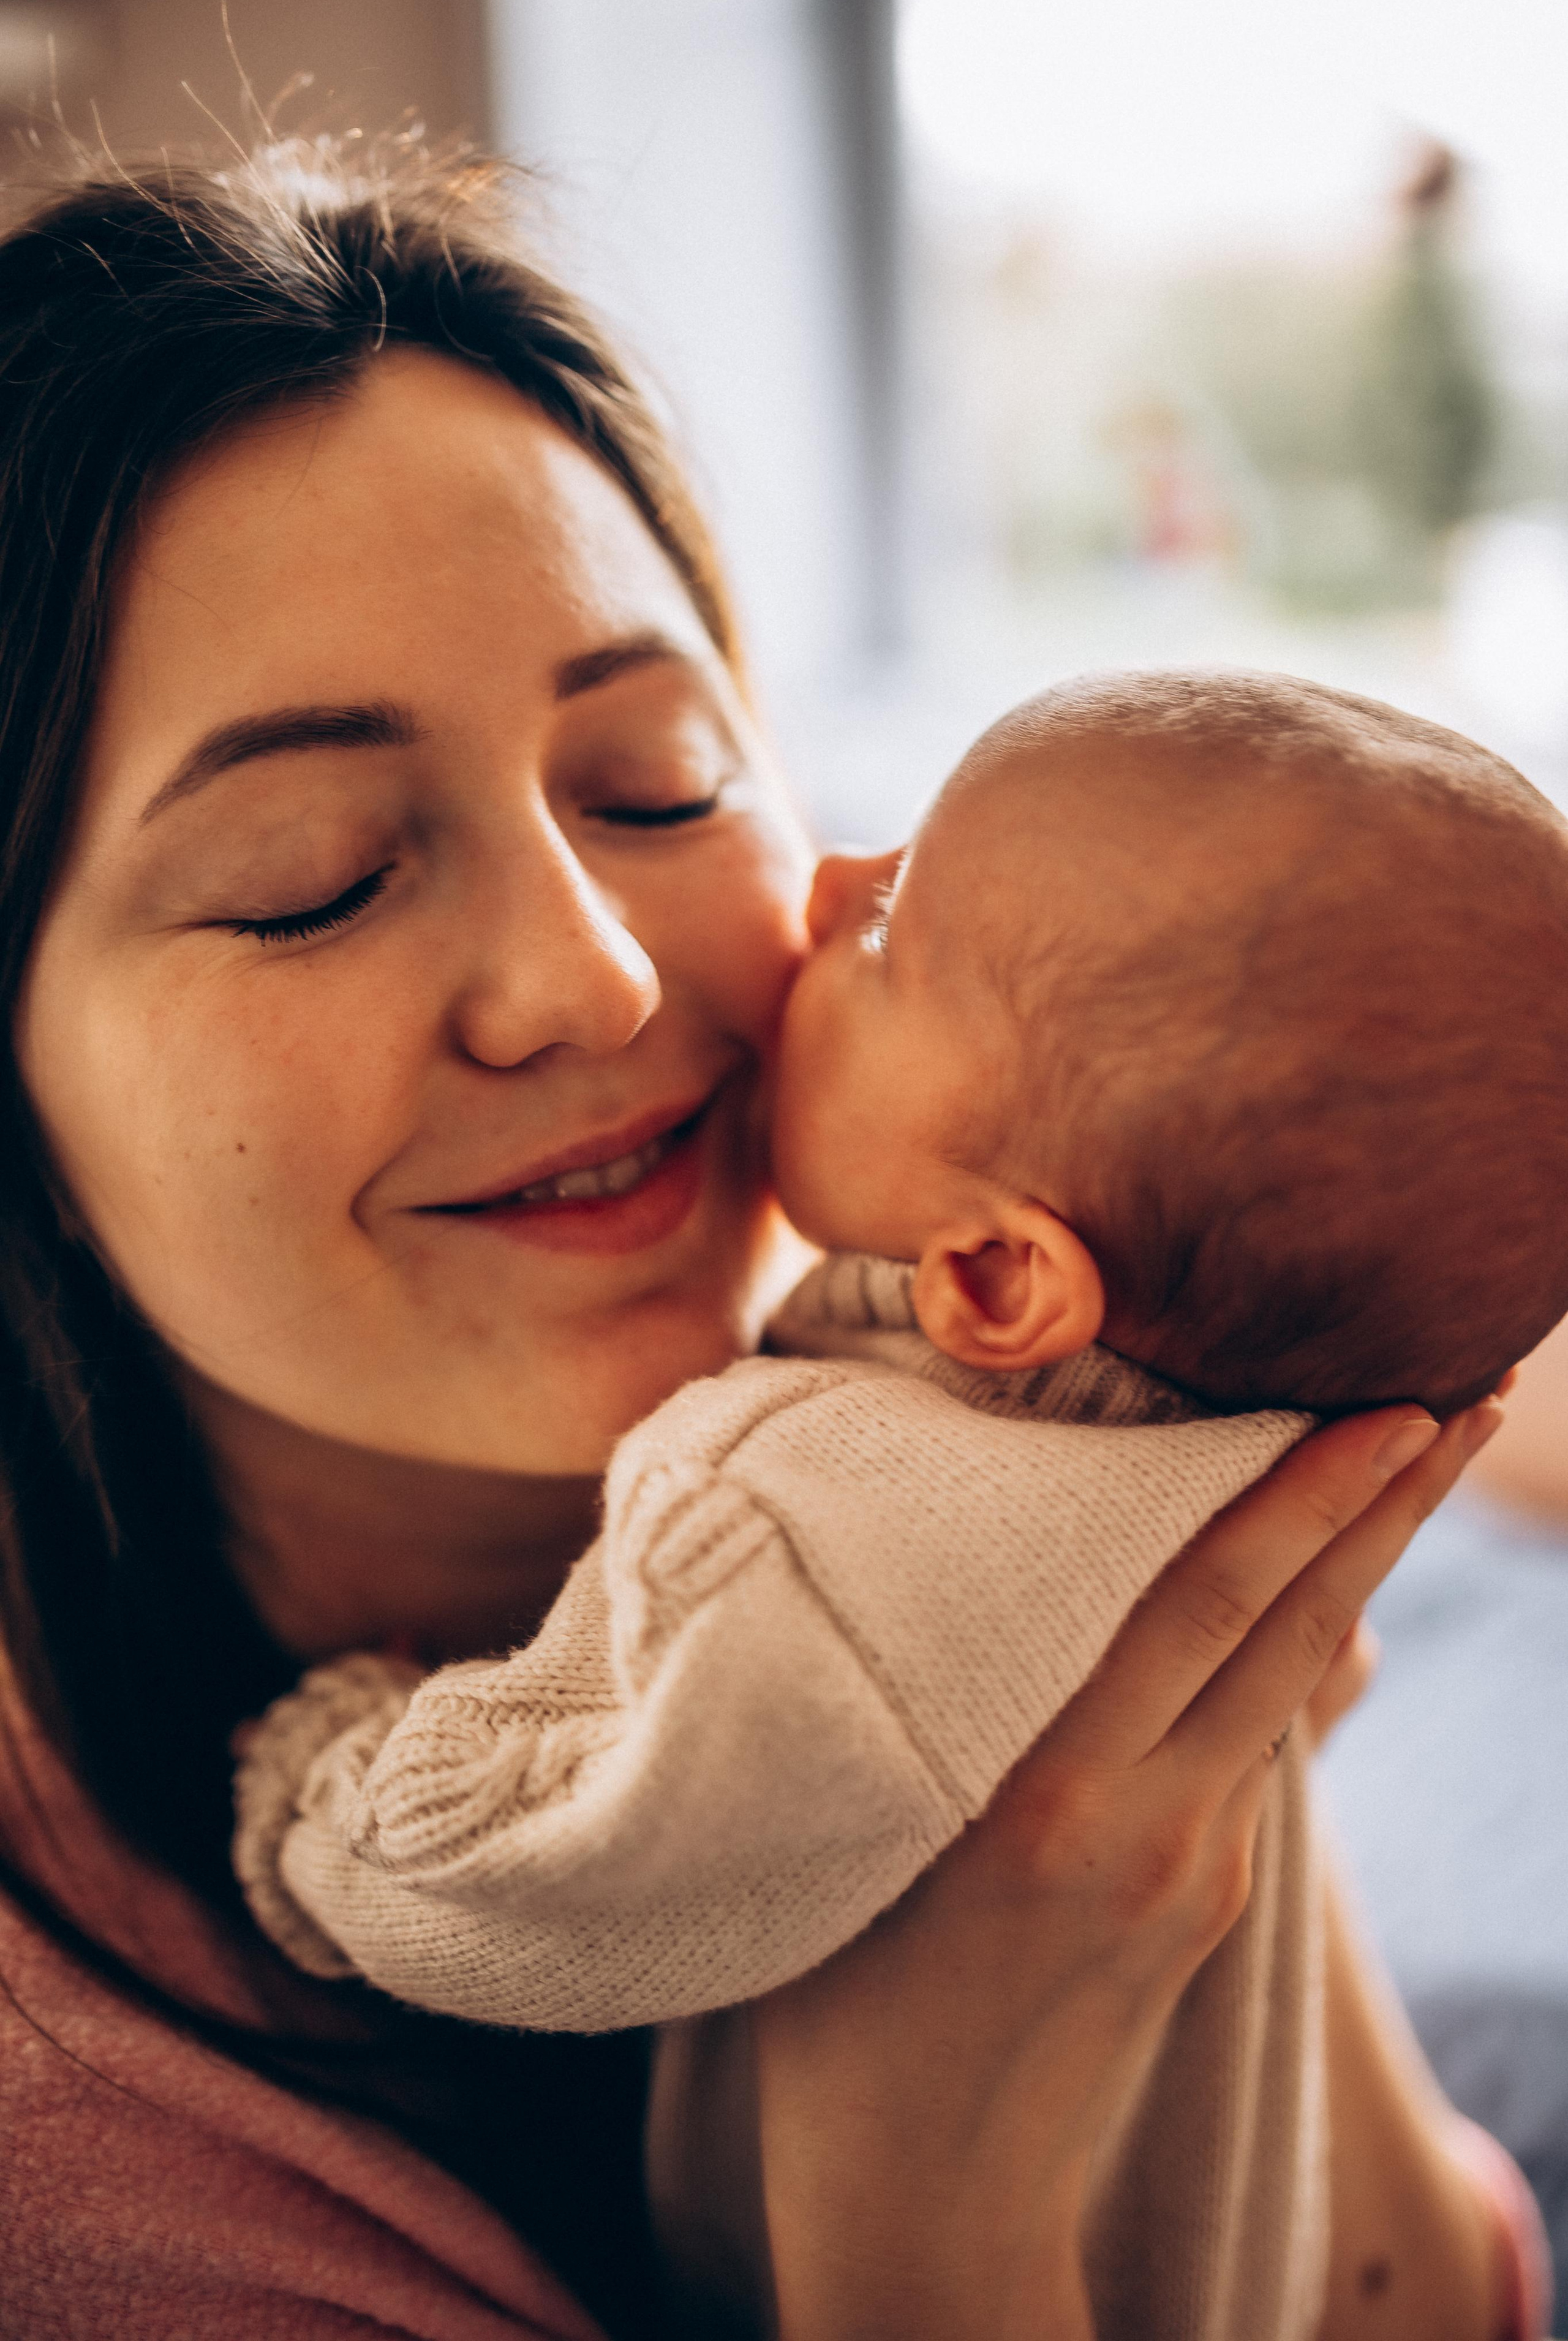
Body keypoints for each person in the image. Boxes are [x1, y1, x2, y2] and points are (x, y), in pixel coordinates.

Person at [0, 139, 1532, 2341]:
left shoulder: (1037, 1463)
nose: (600, 981)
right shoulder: (84, 2186)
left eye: (655, 785)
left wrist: (1249, 1787)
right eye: (317, 874)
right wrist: (920, 2202)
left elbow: (1429, 2287)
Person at [230, 670, 1568, 2336]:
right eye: (309, 880)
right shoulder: (1230, 1437)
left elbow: (575, 1865)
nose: (833, 880)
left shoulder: (810, 1521)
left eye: (656, 787)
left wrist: (336, 1786)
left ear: (1001, 1277)